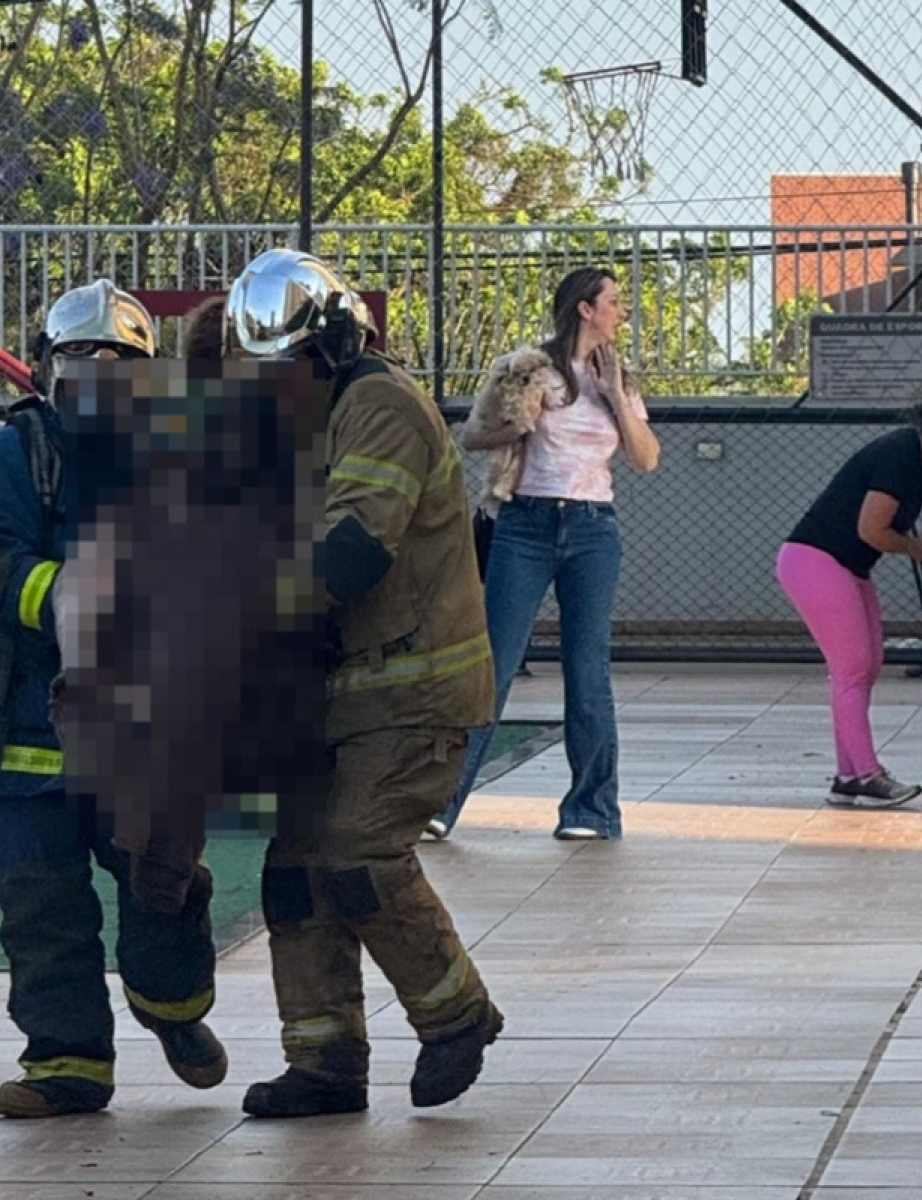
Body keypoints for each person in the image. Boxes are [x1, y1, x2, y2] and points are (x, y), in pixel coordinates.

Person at [226, 249, 504, 1119]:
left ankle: (457, 1014)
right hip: (339, 693)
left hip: (413, 692)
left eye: (292, 366)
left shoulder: (380, 406)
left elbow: (351, 550)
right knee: (295, 869)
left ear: (336, 345)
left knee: (357, 852)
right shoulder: (308, 421)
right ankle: (325, 1061)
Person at [0, 279, 225, 1120]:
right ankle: (66, 1063)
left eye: (120, 367)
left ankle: (172, 1007)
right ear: (45, 370)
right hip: (23, 725)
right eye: (81, 363)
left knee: (160, 882)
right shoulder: (8, 455)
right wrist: (70, 602)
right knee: (40, 903)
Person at [432, 266, 661, 842]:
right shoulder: (526, 368)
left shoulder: (619, 376)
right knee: (494, 662)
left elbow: (646, 458)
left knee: (587, 667)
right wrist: (519, 424)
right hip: (525, 523)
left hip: (593, 528)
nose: (621, 311)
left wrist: (615, 395)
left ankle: (591, 810)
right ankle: (439, 802)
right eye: (613, 301)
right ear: (586, 308)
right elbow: (473, 436)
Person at [777, 380, 922, 806]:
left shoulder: (917, 462)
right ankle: (867, 774)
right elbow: (871, 530)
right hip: (816, 561)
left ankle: (848, 775)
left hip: (846, 566)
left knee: (865, 665)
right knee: (852, 668)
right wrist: (917, 549)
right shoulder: (900, 455)